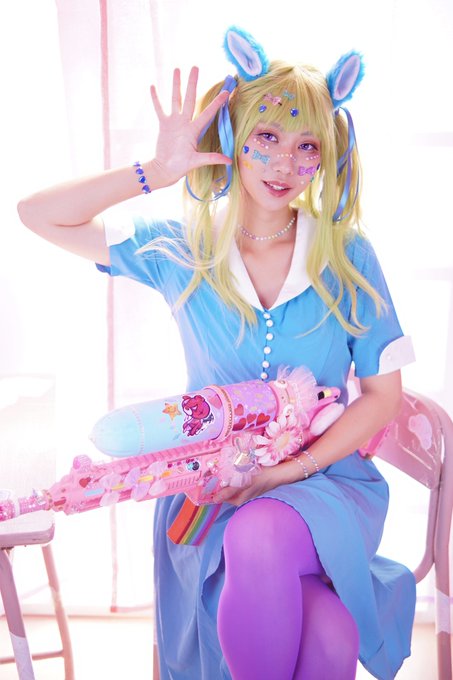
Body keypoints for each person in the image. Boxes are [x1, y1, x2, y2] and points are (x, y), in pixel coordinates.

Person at [18, 26, 416, 680]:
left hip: (323, 484)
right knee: (329, 635)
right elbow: (37, 214)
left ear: (324, 157)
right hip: (211, 490)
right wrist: (155, 173)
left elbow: (382, 397)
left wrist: (289, 471)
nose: (283, 164)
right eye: (267, 137)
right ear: (233, 138)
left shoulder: (346, 255)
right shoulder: (181, 249)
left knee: (260, 535)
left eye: (306, 146)